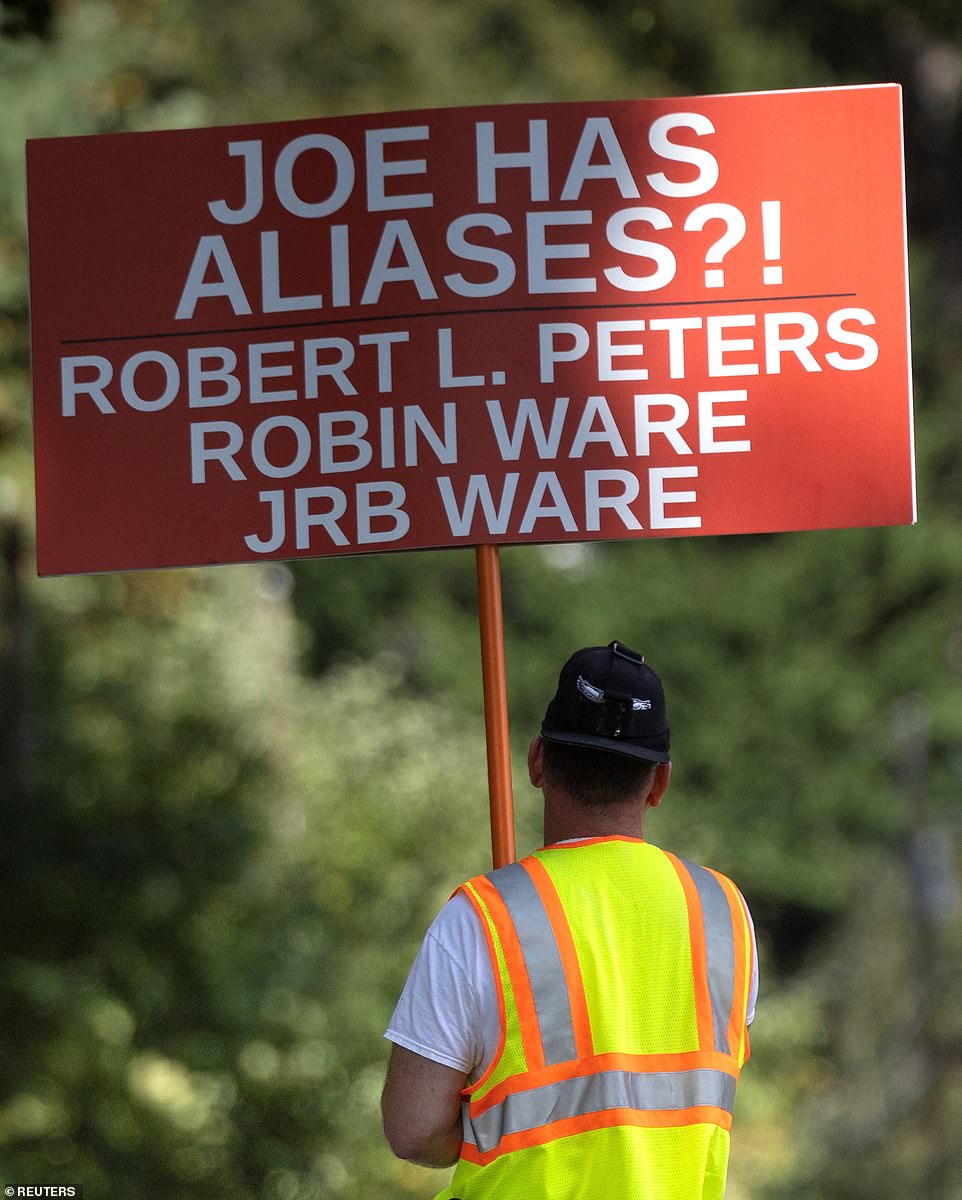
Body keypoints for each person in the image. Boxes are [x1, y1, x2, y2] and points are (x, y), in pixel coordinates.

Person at [382, 640, 757, 1199]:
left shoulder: (482, 919)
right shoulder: (725, 913)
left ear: (537, 760)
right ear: (659, 783)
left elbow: (412, 1130)